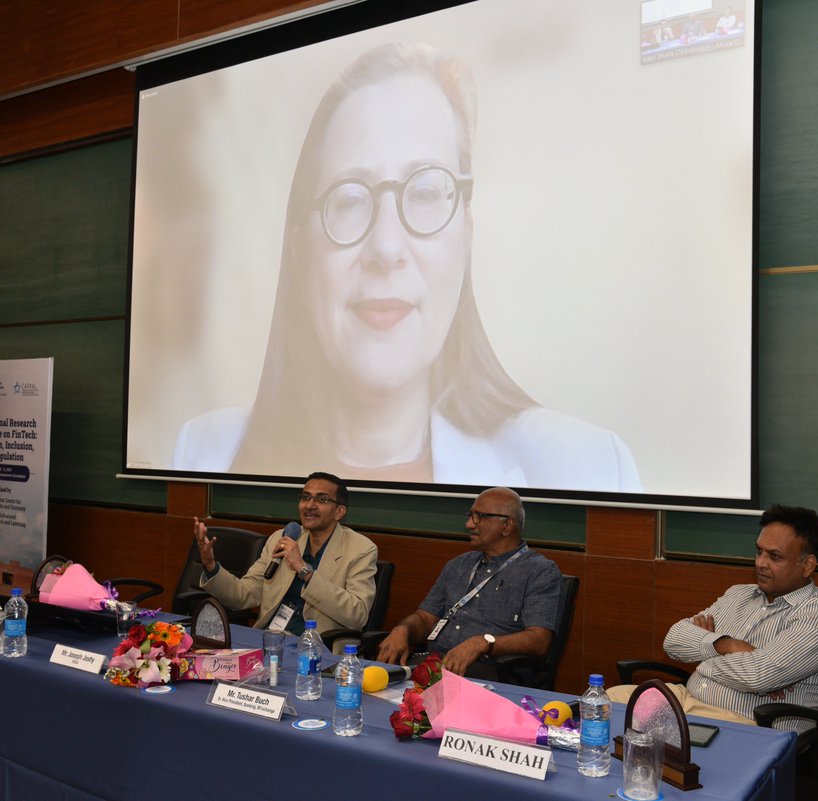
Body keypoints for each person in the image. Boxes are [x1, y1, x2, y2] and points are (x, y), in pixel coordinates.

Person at [173, 42, 640, 492]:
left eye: (424, 194)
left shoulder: (587, 468)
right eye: (351, 199)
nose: (387, 247)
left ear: (466, 236)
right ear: (299, 248)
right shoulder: (201, 453)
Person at [608, 504, 818, 733]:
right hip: (684, 701)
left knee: (645, 743)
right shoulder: (739, 594)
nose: (760, 563)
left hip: (745, 723)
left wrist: (703, 652)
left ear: (807, 565)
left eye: (775, 556)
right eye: (759, 551)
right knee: (602, 706)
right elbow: (674, 640)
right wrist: (727, 645)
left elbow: (758, 676)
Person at [376, 486, 560, 678]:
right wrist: (403, 629)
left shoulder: (540, 571)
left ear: (507, 525)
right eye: (471, 515)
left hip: (488, 671)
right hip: (435, 663)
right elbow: (425, 618)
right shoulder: (459, 564)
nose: (469, 524)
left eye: (480, 516)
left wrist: (483, 643)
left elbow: (539, 641)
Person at [192, 472, 376, 635]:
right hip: (271, 638)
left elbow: (357, 614)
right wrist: (210, 565)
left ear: (339, 511)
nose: (310, 505)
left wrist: (304, 570)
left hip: (318, 649)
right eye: (305, 497)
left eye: (322, 499)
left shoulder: (360, 550)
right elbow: (244, 595)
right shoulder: (281, 538)